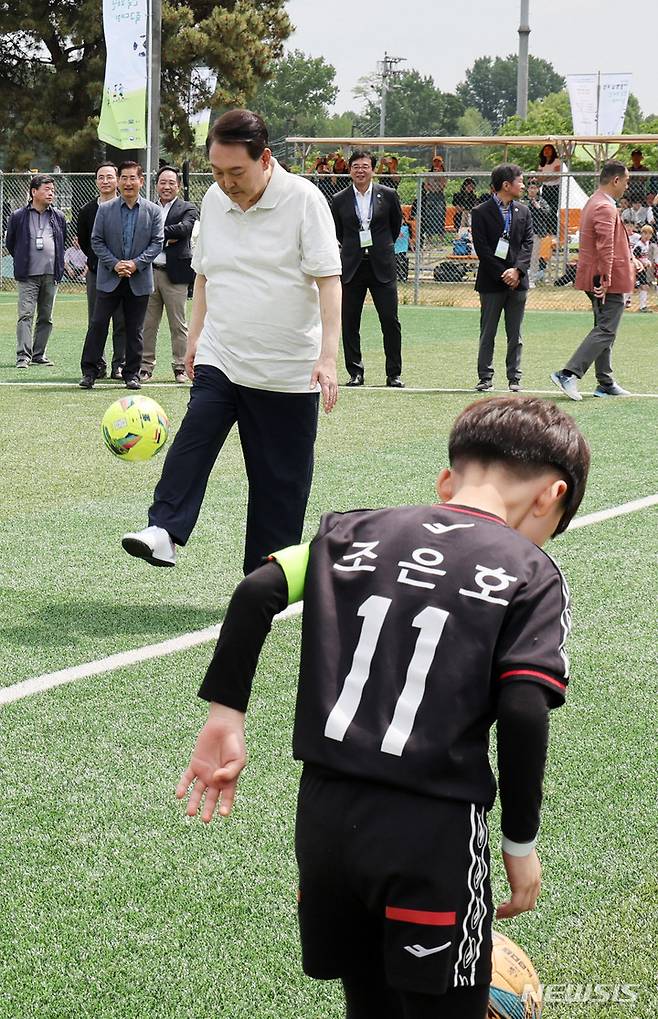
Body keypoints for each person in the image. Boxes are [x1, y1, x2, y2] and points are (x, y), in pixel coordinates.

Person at [176, 394, 590, 1019]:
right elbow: (525, 708)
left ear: (447, 479)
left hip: (325, 821)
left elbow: (256, 590)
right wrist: (520, 842)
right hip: (434, 833)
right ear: (549, 497)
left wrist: (225, 717)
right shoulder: (530, 570)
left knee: (366, 1002)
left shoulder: (349, 531)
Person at [121, 110, 342, 575]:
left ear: (265, 159)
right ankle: (164, 529)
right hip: (223, 353)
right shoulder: (215, 203)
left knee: (278, 484)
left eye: (235, 172)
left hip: (286, 369)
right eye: (217, 172)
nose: (225, 183)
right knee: (195, 435)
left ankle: (263, 579)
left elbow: (328, 280)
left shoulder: (305, 202)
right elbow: (204, 274)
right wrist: (197, 337)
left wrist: (328, 355)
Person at [551, 161, 636, 400]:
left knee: (604, 329)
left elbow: (610, 244)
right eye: (626, 180)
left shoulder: (597, 202)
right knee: (607, 330)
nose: (627, 186)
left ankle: (605, 383)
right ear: (616, 180)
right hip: (606, 280)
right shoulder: (604, 206)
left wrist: (630, 259)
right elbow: (605, 246)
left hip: (602, 277)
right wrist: (607, 279)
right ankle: (568, 373)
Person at [78, 161, 164, 390]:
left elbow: (157, 242)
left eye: (132, 178)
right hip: (109, 277)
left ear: (141, 181)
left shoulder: (153, 211)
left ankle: (131, 374)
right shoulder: (105, 210)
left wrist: (136, 264)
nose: (128, 182)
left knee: (134, 328)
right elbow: (96, 240)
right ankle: (90, 371)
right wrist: (115, 264)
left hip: (139, 278)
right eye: (124, 177)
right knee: (97, 324)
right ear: (120, 180)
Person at [331, 149, 404, 388]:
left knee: (390, 320)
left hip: (381, 265)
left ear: (372, 169)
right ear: (349, 170)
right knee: (350, 321)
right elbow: (339, 232)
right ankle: (355, 371)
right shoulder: (339, 199)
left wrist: (379, 248)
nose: (360, 170)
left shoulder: (389, 195)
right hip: (352, 266)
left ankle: (393, 373)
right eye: (355, 166)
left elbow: (394, 228)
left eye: (365, 166)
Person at [470, 163, 533, 393]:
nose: (523, 185)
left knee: (515, 333)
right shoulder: (480, 212)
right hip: (491, 281)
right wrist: (502, 273)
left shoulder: (523, 211)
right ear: (506, 185)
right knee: (488, 331)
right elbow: (482, 249)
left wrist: (517, 270)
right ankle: (485, 377)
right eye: (520, 181)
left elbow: (528, 244)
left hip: (518, 282)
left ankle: (514, 377)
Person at [139, 165, 199, 383]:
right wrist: (166, 237)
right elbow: (140, 231)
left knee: (178, 324)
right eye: (163, 182)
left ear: (179, 186)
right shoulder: (146, 207)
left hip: (176, 275)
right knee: (148, 323)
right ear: (156, 185)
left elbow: (185, 229)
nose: (166, 187)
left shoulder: (188, 208)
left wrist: (155, 234)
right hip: (149, 272)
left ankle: (180, 367)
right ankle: (145, 367)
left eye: (171, 183)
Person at [6, 173, 67, 368]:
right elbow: (11, 243)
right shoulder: (18, 216)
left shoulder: (58, 216)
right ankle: (23, 356)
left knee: (46, 317)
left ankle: (39, 354)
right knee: (25, 315)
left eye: (52, 190)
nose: (51, 193)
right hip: (27, 275)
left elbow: (61, 241)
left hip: (51, 274)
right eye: (47, 189)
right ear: (34, 192)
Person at [76, 162, 127, 380]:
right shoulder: (88, 210)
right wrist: (100, 262)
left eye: (109, 177)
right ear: (96, 181)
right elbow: (85, 241)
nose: (105, 181)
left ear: (117, 180)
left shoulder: (127, 206)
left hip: (124, 273)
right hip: (97, 272)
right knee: (97, 321)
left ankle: (120, 365)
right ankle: (98, 364)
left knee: (122, 320)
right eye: (101, 177)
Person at [524, 179, 551, 286]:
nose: (532, 190)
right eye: (530, 188)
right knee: (522, 255)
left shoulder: (542, 201)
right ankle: (522, 277)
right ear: (527, 189)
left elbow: (547, 214)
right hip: (523, 232)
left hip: (536, 232)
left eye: (535, 188)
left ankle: (531, 279)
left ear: (538, 189)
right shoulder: (523, 200)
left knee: (534, 256)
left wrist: (538, 207)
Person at [631, 223, 657, 312]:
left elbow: (644, 257)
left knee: (642, 287)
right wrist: (644, 262)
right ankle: (641, 306)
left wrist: (647, 262)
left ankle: (643, 306)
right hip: (636, 269)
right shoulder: (639, 245)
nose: (647, 236)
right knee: (634, 287)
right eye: (645, 233)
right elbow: (634, 258)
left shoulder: (647, 243)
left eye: (650, 234)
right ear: (641, 234)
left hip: (642, 269)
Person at [537, 144, 561, 235]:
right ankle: (546, 230)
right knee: (545, 209)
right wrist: (547, 177)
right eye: (545, 149)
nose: (546, 151)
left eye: (549, 149)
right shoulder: (542, 163)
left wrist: (545, 177)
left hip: (555, 188)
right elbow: (539, 177)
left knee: (553, 209)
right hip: (546, 188)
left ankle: (555, 231)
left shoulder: (557, 161)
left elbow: (556, 175)